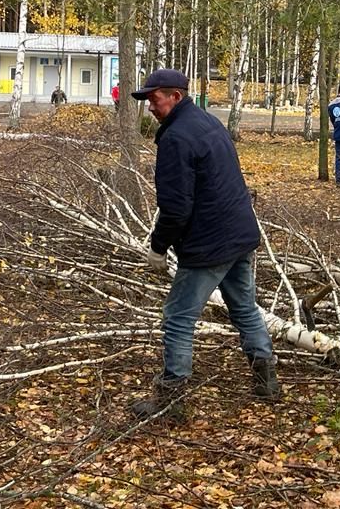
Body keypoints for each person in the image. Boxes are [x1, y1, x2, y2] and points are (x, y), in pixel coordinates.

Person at [130, 68, 278, 421]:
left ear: (176, 97)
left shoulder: (177, 138)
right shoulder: (208, 123)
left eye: (154, 99)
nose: (150, 106)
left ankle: (170, 400)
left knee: (178, 317)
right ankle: (267, 383)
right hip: (238, 234)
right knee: (244, 308)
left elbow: (176, 206)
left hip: (209, 243)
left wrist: (158, 246)